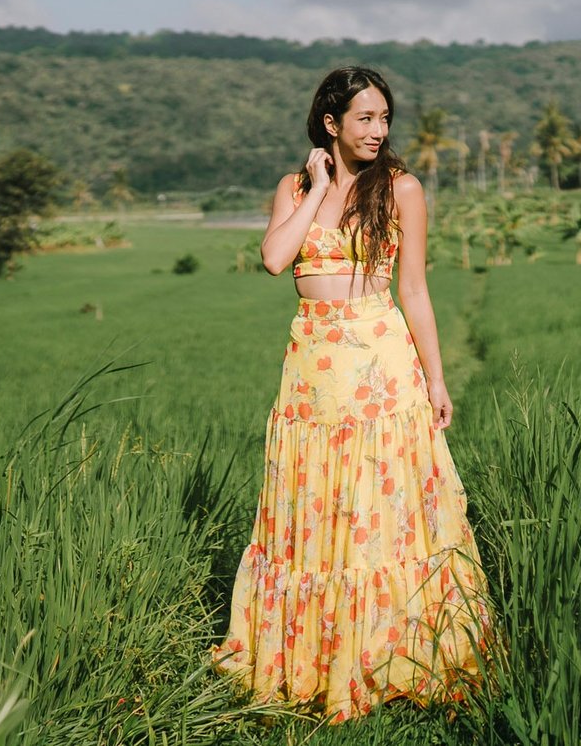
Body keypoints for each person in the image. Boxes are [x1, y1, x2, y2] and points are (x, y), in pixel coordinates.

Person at [210, 66, 496, 721]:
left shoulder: (402, 188)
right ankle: (312, 662)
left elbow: (415, 290)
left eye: (385, 119)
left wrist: (437, 376)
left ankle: (392, 659)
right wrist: (315, 190)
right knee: (317, 508)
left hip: (379, 360)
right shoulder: (293, 186)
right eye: (365, 119)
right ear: (331, 124)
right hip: (312, 365)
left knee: (382, 510)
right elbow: (275, 258)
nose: (378, 131)